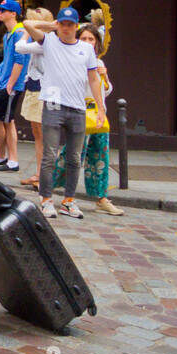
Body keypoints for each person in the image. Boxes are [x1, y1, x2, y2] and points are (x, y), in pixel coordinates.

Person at [19, 7, 107, 219]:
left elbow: (94, 79)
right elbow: (28, 25)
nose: (66, 28)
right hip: (54, 104)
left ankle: (68, 200)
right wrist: (52, 26)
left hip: (77, 107)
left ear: (76, 27)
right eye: (63, 24)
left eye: (70, 25)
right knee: (50, 155)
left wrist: (101, 107)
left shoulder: (86, 50)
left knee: (75, 158)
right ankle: (46, 199)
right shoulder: (49, 41)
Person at [51, 24, 124, 216]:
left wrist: (104, 77)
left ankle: (101, 198)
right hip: (79, 114)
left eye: (91, 39)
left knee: (100, 157)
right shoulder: (72, 61)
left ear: (97, 44)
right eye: (84, 39)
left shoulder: (99, 63)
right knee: (73, 156)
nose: (88, 43)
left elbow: (106, 90)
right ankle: (51, 189)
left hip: (98, 116)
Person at [0, 0, 29, 175]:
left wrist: (10, 84)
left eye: (4, 10)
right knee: (3, 120)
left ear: (13, 13)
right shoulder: (8, 35)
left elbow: (20, 61)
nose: (0, 12)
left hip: (10, 84)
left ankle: (12, 160)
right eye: (0, 9)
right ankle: (3, 156)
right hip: (2, 81)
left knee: (5, 121)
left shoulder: (19, 33)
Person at [15, 7, 52, 189]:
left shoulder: (45, 42)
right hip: (34, 86)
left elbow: (20, 47)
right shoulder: (43, 41)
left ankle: (44, 175)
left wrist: (25, 35)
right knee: (37, 133)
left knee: (42, 135)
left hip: (43, 90)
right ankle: (40, 173)